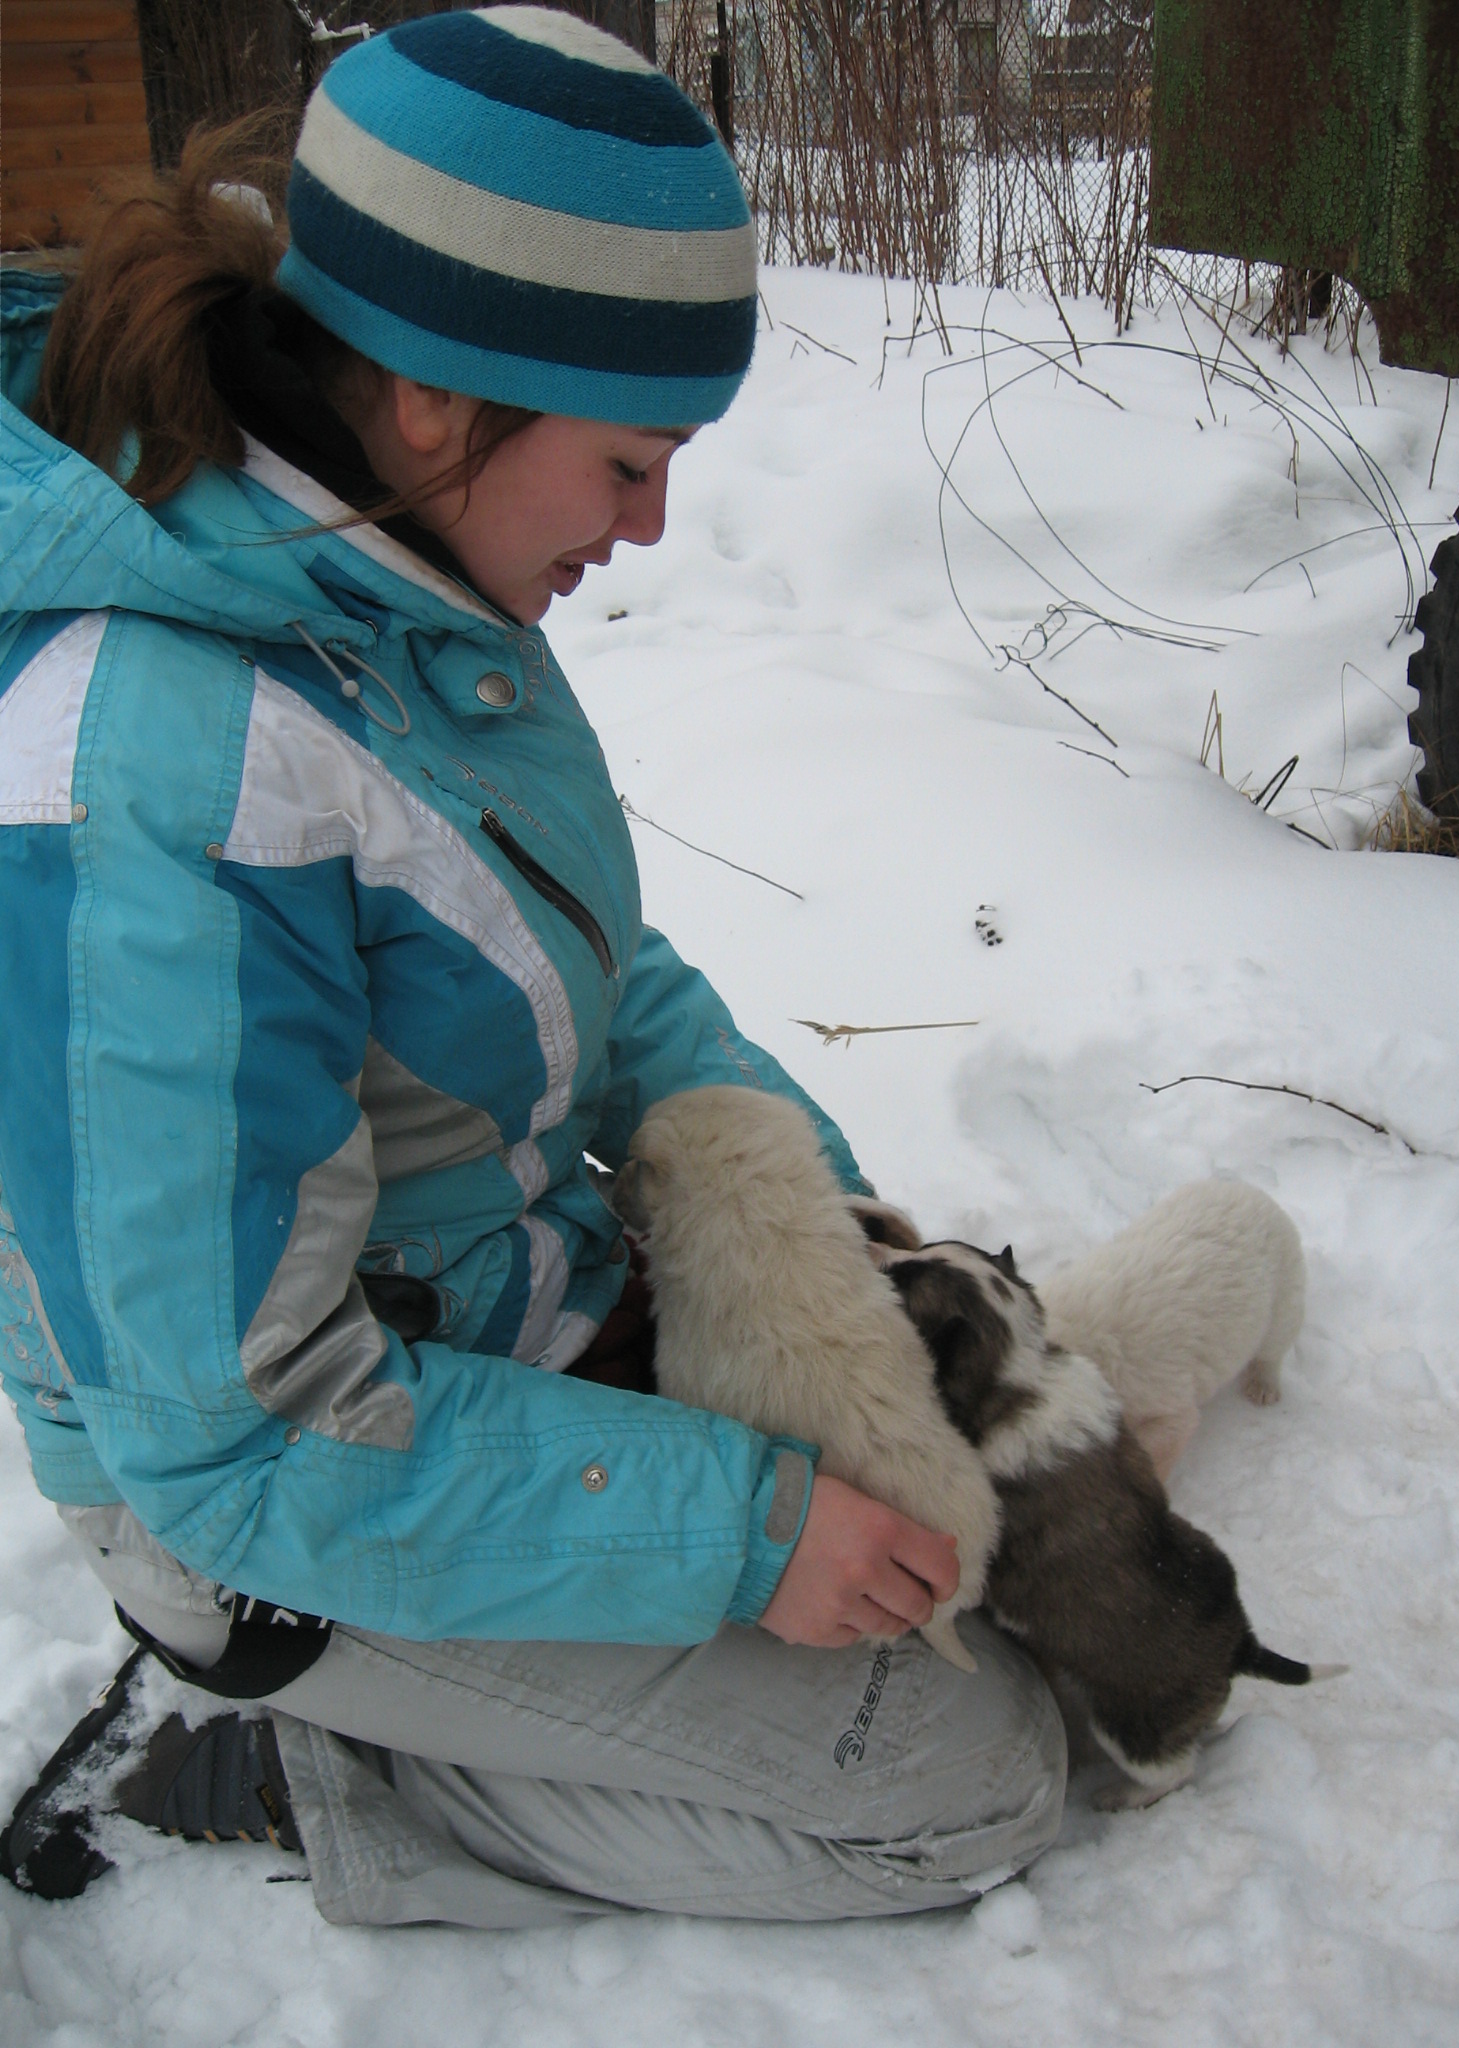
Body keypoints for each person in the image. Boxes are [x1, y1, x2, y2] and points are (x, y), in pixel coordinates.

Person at [0, 7, 1063, 1924]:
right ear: (436, 395)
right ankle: (313, 1771)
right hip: (267, 1519)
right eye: (631, 462)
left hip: (478, 1330)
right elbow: (240, 1439)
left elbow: (587, 962)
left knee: (974, 1536)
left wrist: (807, 1213)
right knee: (962, 1781)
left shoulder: (387, 580)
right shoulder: (164, 777)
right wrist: (743, 1536)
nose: (650, 526)